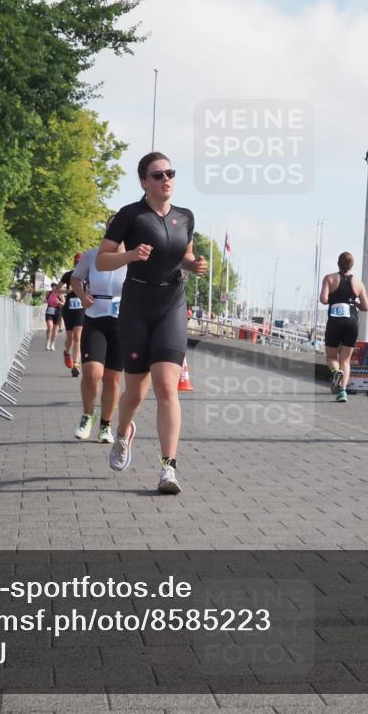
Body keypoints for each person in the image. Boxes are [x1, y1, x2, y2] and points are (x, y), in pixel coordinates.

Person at [96, 152, 207, 494]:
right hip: (137, 306)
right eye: (158, 175)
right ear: (144, 181)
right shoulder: (129, 216)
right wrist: (129, 255)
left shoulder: (185, 217)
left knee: (165, 386)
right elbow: (101, 261)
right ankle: (124, 432)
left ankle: (168, 469)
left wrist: (194, 264)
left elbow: (183, 255)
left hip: (172, 304)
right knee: (136, 392)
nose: (166, 179)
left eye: (170, 173)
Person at [70, 233, 128, 444]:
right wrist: (82, 296)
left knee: (113, 378)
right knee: (92, 372)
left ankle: (106, 425)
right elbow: (75, 278)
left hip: (122, 323)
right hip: (95, 318)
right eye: (112, 231)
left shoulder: (133, 259)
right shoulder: (92, 255)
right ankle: (87, 415)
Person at [319, 252, 368, 402]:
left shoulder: (329, 278)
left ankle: (335, 372)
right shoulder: (359, 283)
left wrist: (334, 299)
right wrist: (353, 303)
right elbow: (366, 307)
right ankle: (342, 392)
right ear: (351, 265)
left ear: (338, 263)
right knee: (346, 360)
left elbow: (323, 299)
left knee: (331, 357)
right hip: (351, 322)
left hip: (335, 322)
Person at [60, 253, 85, 377]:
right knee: (69, 338)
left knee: (77, 337)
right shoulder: (68, 275)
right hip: (69, 309)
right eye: (77, 262)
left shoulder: (88, 275)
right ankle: (66, 352)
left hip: (80, 309)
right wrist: (67, 291)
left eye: (80, 262)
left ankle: (76, 365)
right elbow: (56, 290)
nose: (78, 264)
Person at [44, 286, 62, 351]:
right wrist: (45, 300)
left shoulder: (60, 294)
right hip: (49, 311)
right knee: (50, 327)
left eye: (55, 286)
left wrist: (59, 302)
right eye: (52, 286)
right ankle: (48, 342)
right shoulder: (48, 293)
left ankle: (53, 344)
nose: (54, 287)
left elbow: (64, 303)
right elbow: (45, 300)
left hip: (57, 312)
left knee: (55, 329)